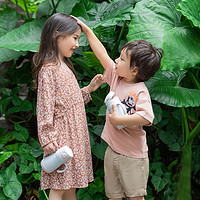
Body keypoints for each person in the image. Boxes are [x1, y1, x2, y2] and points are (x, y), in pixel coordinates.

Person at [76, 18, 163, 200]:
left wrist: (119, 121)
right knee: (113, 196)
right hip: (112, 151)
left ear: (134, 70)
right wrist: (87, 31)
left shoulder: (140, 91)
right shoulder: (116, 78)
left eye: (122, 59)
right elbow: (102, 55)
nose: (116, 60)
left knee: (135, 197)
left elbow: (147, 117)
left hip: (133, 157)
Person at [32, 13, 104, 200]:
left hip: (75, 135)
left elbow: (67, 102)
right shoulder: (49, 69)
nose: (77, 44)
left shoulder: (63, 66)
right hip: (62, 136)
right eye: (74, 38)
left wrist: (89, 89)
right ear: (58, 35)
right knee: (59, 185)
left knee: (70, 185)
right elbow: (45, 106)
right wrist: (47, 137)